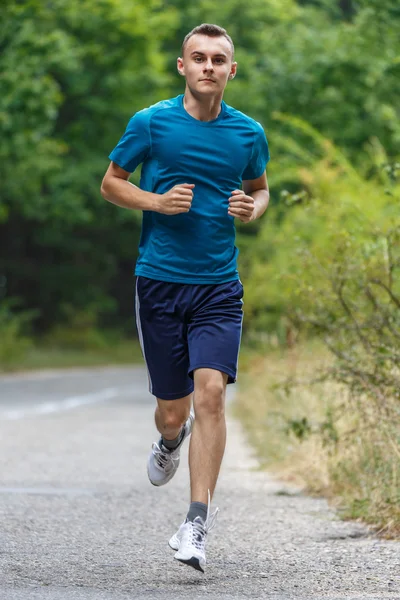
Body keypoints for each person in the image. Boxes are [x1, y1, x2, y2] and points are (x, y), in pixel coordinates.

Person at [100, 23, 270, 573]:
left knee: (212, 393)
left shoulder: (247, 133)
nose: (207, 67)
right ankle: (171, 441)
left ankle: (196, 523)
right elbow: (111, 182)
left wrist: (253, 207)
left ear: (231, 71)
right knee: (173, 412)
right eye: (197, 58)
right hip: (160, 282)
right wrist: (155, 201)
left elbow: (261, 188)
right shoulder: (152, 122)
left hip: (219, 285)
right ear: (182, 66)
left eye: (218, 60)